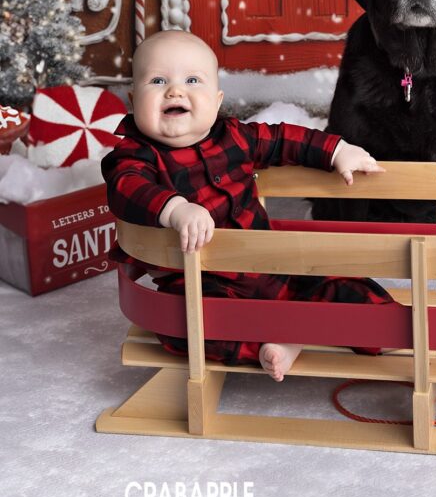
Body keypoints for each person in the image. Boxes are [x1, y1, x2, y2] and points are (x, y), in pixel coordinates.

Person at [102, 30, 393, 382]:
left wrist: (336, 151)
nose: (175, 91)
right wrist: (176, 209)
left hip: (273, 268)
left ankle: (380, 329)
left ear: (216, 99)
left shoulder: (235, 137)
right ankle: (274, 343)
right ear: (134, 100)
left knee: (344, 286)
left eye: (192, 80)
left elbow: (284, 139)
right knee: (187, 329)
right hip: (201, 285)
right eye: (158, 80)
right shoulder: (134, 156)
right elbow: (127, 187)